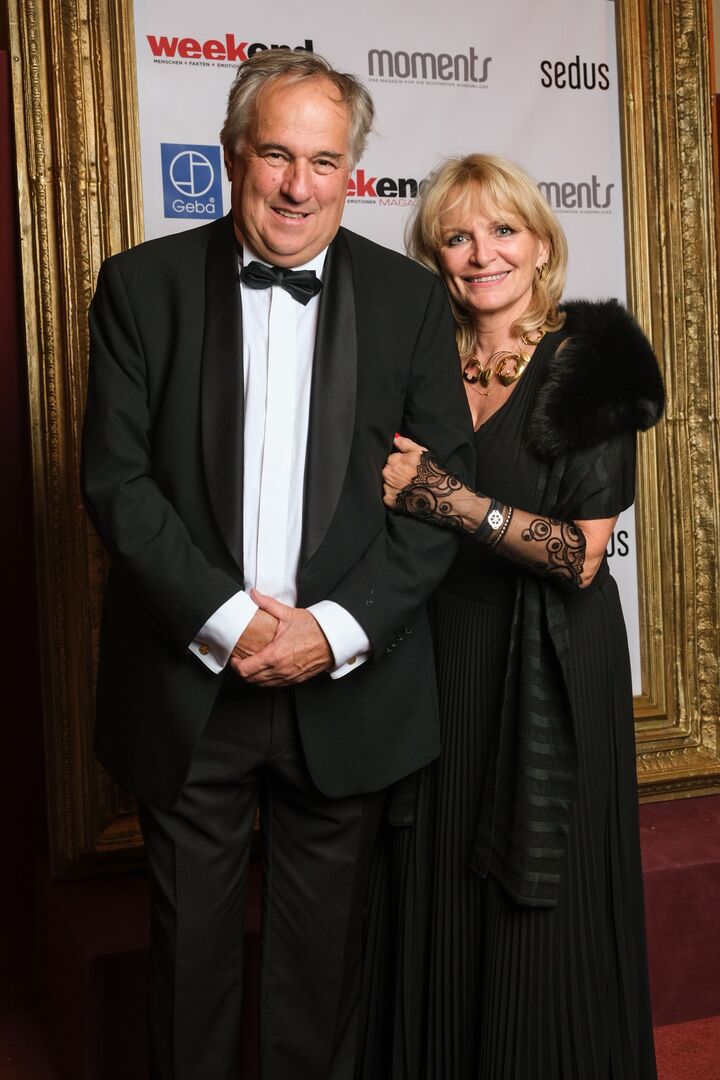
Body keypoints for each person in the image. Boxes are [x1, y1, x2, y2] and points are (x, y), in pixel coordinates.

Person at [81, 50, 473, 1080]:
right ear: (231, 156)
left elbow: (439, 500)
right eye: (276, 156)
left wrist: (329, 632)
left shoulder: (410, 302)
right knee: (190, 977)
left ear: (354, 172)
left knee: (320, 980)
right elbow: (117, 483)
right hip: (190, 686)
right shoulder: (141, 286)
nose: (299, 186)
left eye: (325, 161)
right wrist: (232, 620)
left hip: (346, 691)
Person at [358, 154, 663, 1079]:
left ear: (540, 244)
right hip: (442, 650)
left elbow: (580, 556)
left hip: (551, 658)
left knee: (542, 900)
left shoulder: (590, 362)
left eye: (503, 230)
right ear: (435, 256)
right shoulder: (420, 360)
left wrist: (451, 500)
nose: (481, 253)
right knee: (442, 881)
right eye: (457, 237)